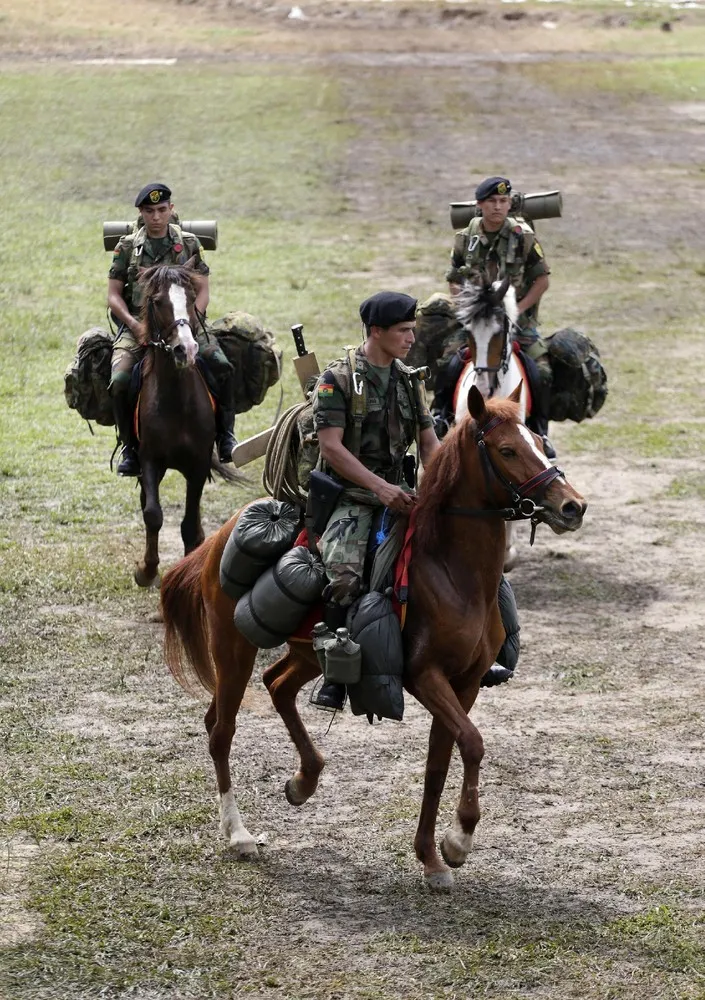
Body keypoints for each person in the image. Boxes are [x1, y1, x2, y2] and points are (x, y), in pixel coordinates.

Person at [311, 291, 440, 710]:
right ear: (376, 332)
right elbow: (331, 448)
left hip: (400, 494)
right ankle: (334, 672)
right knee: (345, 577)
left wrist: (439, 488)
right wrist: (378, 488)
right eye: (403, 331)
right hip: (352, 496)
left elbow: (428, 442)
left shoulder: (408, 380)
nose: (411, 337)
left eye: (411, 329)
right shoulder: (338, 380)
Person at [107, 182, 237, 476]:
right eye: (150, 211)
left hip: (184, 323)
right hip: (139, 324)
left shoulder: (188, 243)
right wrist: (133, 324)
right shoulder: (127, 247)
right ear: (141, 212)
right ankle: (129, 446)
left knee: (223, 366)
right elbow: (113, 295)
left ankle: (225, 436)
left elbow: (203, 287)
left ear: (171, 210)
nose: (156, 217)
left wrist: (193, 319)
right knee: (119, 379)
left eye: (162, 210)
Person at [437, 175, 555, 457]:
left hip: (517, 323)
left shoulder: (523, 236)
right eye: (492, 201)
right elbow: (454, 278)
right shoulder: (465, 238)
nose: (498, 207)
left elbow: (542, 280)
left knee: (540, 371)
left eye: (503, 201)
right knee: (450, 361)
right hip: (476, 323)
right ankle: (440, 414)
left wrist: (517, 310)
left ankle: (540, 430)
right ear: (480, 205)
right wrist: (466, 308)